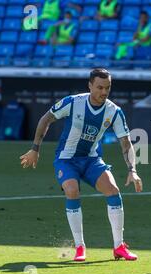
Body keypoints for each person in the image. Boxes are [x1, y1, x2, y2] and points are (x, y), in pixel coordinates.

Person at [19, 68, 142, 262]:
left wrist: (132, 170)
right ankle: (79, 246)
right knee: (72, 190)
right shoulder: (73, 102)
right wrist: (35, 148)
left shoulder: (114, 111)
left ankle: (119, 246)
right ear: (90, 86)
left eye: (107, 88)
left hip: (91, 160)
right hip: (66, 159)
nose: (104, 92)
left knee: (113, 190)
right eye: (100, 87)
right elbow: (46, 118)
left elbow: (126, 143)